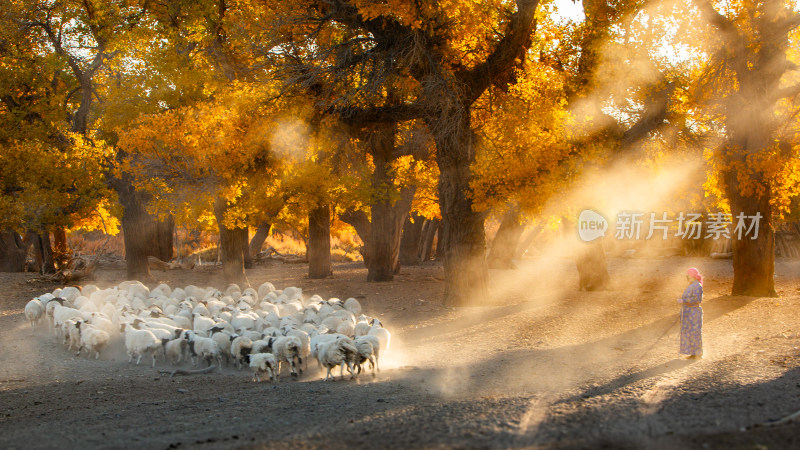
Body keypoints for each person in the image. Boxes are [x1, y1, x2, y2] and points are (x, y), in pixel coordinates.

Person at [678, 267, 704, 358]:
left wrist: (683, 300)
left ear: (692, 275)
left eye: (688, 274)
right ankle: (693, 353)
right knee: (689, 331)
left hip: (694, 312)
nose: (687, 276)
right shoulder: (692, 285)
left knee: (695, 332)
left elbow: (697, 300)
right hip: (688, 312)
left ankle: (697, 353)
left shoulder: (697, 286)